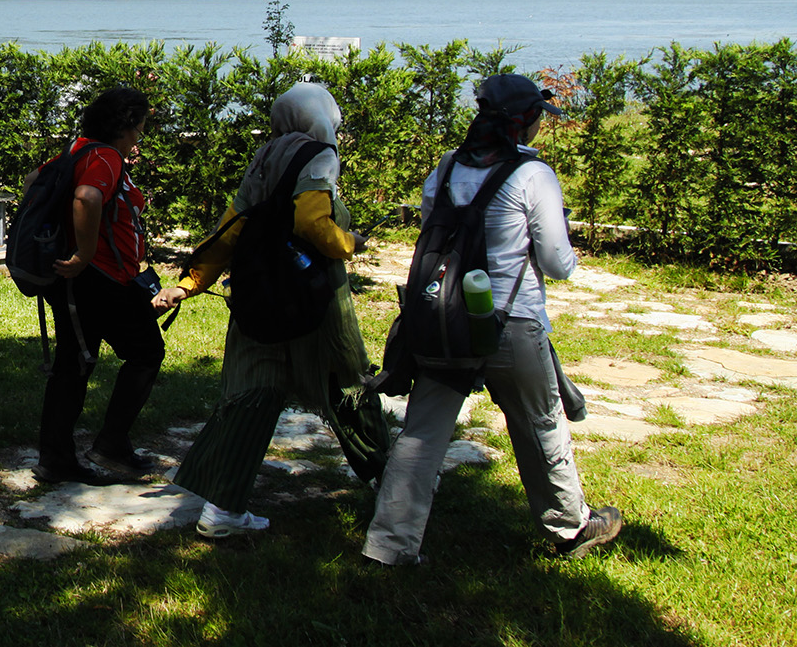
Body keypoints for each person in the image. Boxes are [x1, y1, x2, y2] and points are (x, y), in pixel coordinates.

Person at [363, 75, 622, 565]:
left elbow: (431, 230)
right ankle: (569, 527)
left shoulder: (447, 166)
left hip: (444, 320)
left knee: (423, 430)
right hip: (511, 322)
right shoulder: (532, 174)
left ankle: (389, 544)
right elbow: (556, 263)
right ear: (523, 121)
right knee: (540, 421)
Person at [154, 82, 388, 538]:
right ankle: (392, 480)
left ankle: (222, 510)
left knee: (252, 396)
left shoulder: (264, 157)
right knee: (346, 384)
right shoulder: (319, 155)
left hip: (259, 295)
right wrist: (350, 244)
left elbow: (232, 228)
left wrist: (190, 283)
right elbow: (311, 221)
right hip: (313, 299)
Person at [38, 86, 168, 484]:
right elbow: (86, 196)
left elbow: (33, 182)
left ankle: (59, 458)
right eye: (142, 121)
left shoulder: (78, 148)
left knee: (74, 364)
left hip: (84, 281)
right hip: (99, 280)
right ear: (127, 123)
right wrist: (83, 253)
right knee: (145, 352)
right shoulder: (105, 157)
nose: (144, 128)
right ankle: (107, 445)